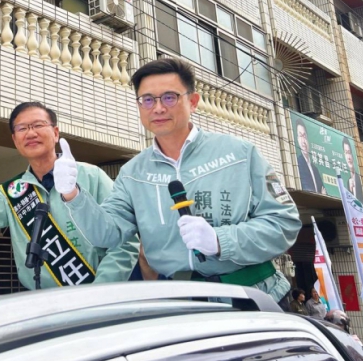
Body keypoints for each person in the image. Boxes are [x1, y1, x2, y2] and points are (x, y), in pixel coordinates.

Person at [57, 58, 302, 302]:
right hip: (183, 304)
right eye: (148, 100)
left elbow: (284, 223)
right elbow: (107, 234)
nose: (158, 108)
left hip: (254, 295)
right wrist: (72, 194)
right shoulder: (133, 172)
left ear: (193, 102)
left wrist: (220, 240)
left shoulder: (239, 154)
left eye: (169, 97)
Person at [0, 102, 138, 290]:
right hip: (40, 301)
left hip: (96, 299)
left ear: (55, 133)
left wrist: (99, 291)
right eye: (22, 128)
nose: (30, 133)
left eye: (38, 125)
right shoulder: (14, 191)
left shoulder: (91, 176)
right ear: (14, 140)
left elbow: (125, 241)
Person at [295, 120, 324, 194]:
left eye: (304, 136)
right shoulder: (298, 163)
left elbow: (323, 191)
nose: (303, 141)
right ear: (297, 139)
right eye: (300, 136)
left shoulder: (315, 169)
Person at [342, 138, 363, 204]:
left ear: (353, 154)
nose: (348, 157)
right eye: (346, 153)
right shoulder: (348, 182)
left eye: (349, 153)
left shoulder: (360, 178)